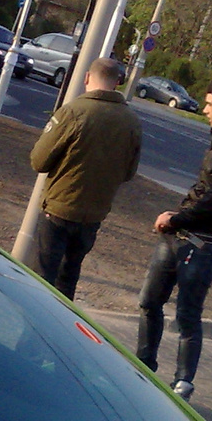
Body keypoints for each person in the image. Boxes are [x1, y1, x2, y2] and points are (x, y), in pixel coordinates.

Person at [136, 73, 212, 400]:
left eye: (209, 104)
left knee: (188, 316)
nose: (204, 109)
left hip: (202, 244)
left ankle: (183, 384)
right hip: (178, 235)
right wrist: (175, 220)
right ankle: (143, 365)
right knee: (149, 302)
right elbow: (202, 187)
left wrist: (175, 218)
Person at [28, 57, 143, 300]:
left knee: (43, 278)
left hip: (59, 208)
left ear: (88, 78)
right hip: (94, 214)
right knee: (68, 278)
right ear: (117, 83)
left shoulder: (74, 111)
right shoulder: (131, 122)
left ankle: (34, 330)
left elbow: (39, 160)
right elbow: (129, 172)